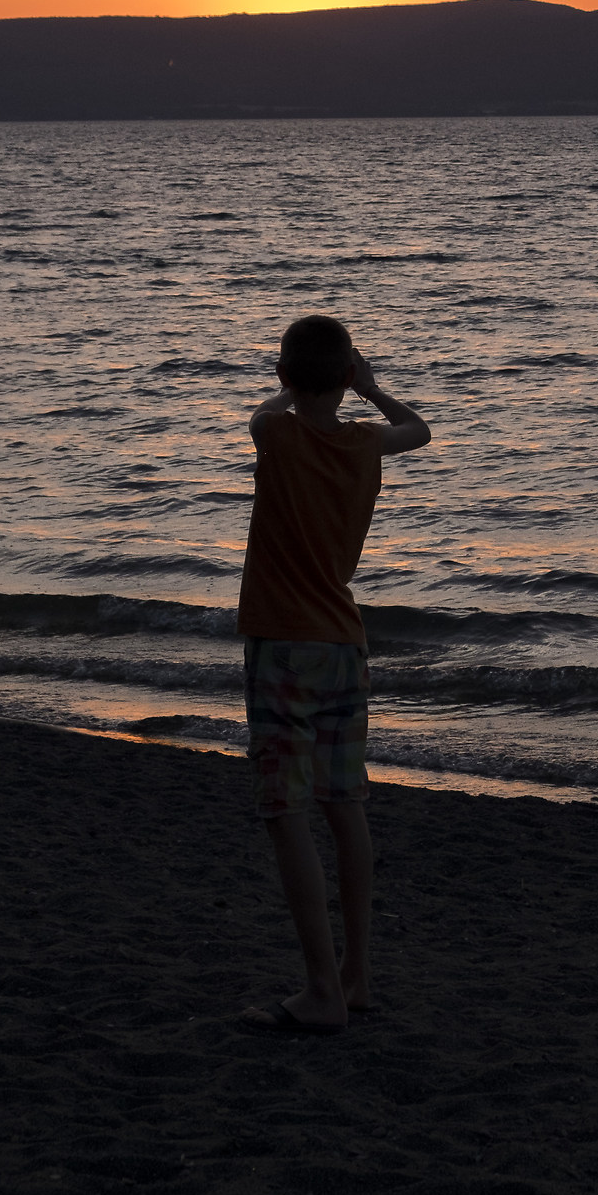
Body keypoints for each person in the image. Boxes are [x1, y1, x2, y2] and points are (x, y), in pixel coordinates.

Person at [235, 313, 431, 1035]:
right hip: (344, 646)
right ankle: (356, 977)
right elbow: (422, 430)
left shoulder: (277, 432)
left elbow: (265, 410)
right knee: (343, 808)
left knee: (284, 811)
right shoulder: (366, 443)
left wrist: (299, 387)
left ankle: (321, 990)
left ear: (285, 375)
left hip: (283, 644)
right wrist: (373, 390)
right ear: (346, 377)